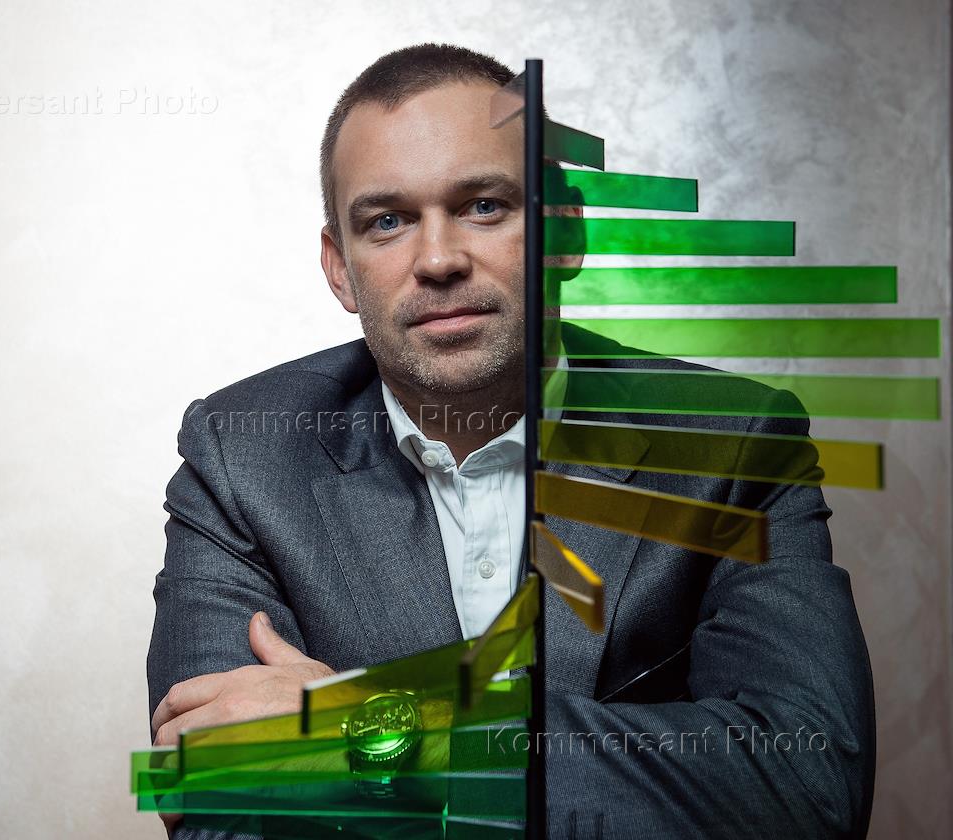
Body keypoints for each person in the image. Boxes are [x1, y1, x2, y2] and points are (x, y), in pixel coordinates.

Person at [146, 43, 875, 839]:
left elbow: (810, 786)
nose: (438, 260)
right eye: (387, 222)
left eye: (485, 206)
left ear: (565, 233)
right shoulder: (239, 457)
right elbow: (209, 799)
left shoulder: (734, 442)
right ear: (340, 268)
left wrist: (373, 731)